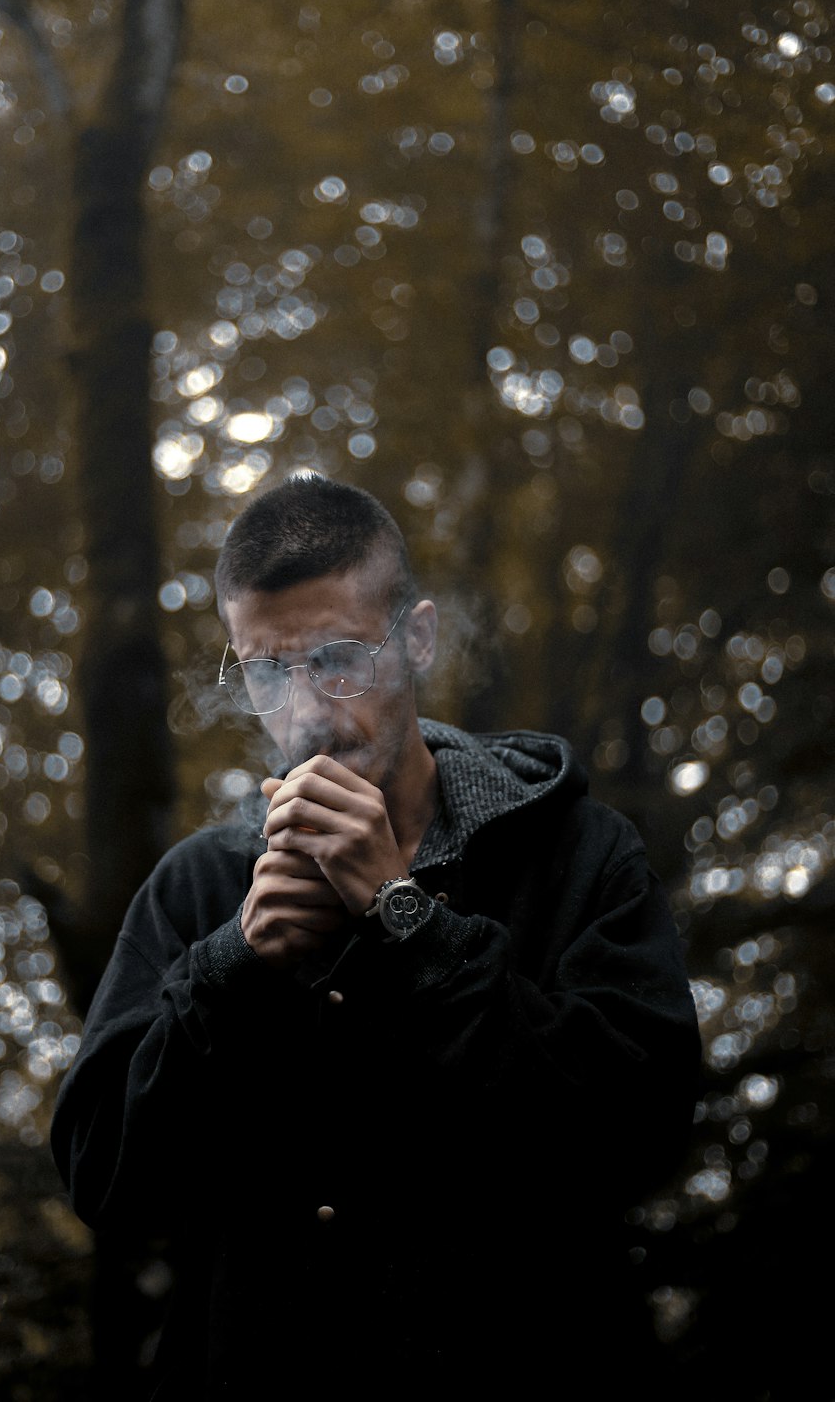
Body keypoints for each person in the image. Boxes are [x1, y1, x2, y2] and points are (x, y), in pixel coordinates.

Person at [51, 474, 700, 1400]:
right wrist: (231, 966)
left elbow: (639, 1137)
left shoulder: (573, 850)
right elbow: (103, 1180)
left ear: (420, 639)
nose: (307, 709)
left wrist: (405, 917)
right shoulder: (198, 886)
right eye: (269, 671)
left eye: (338, 658)